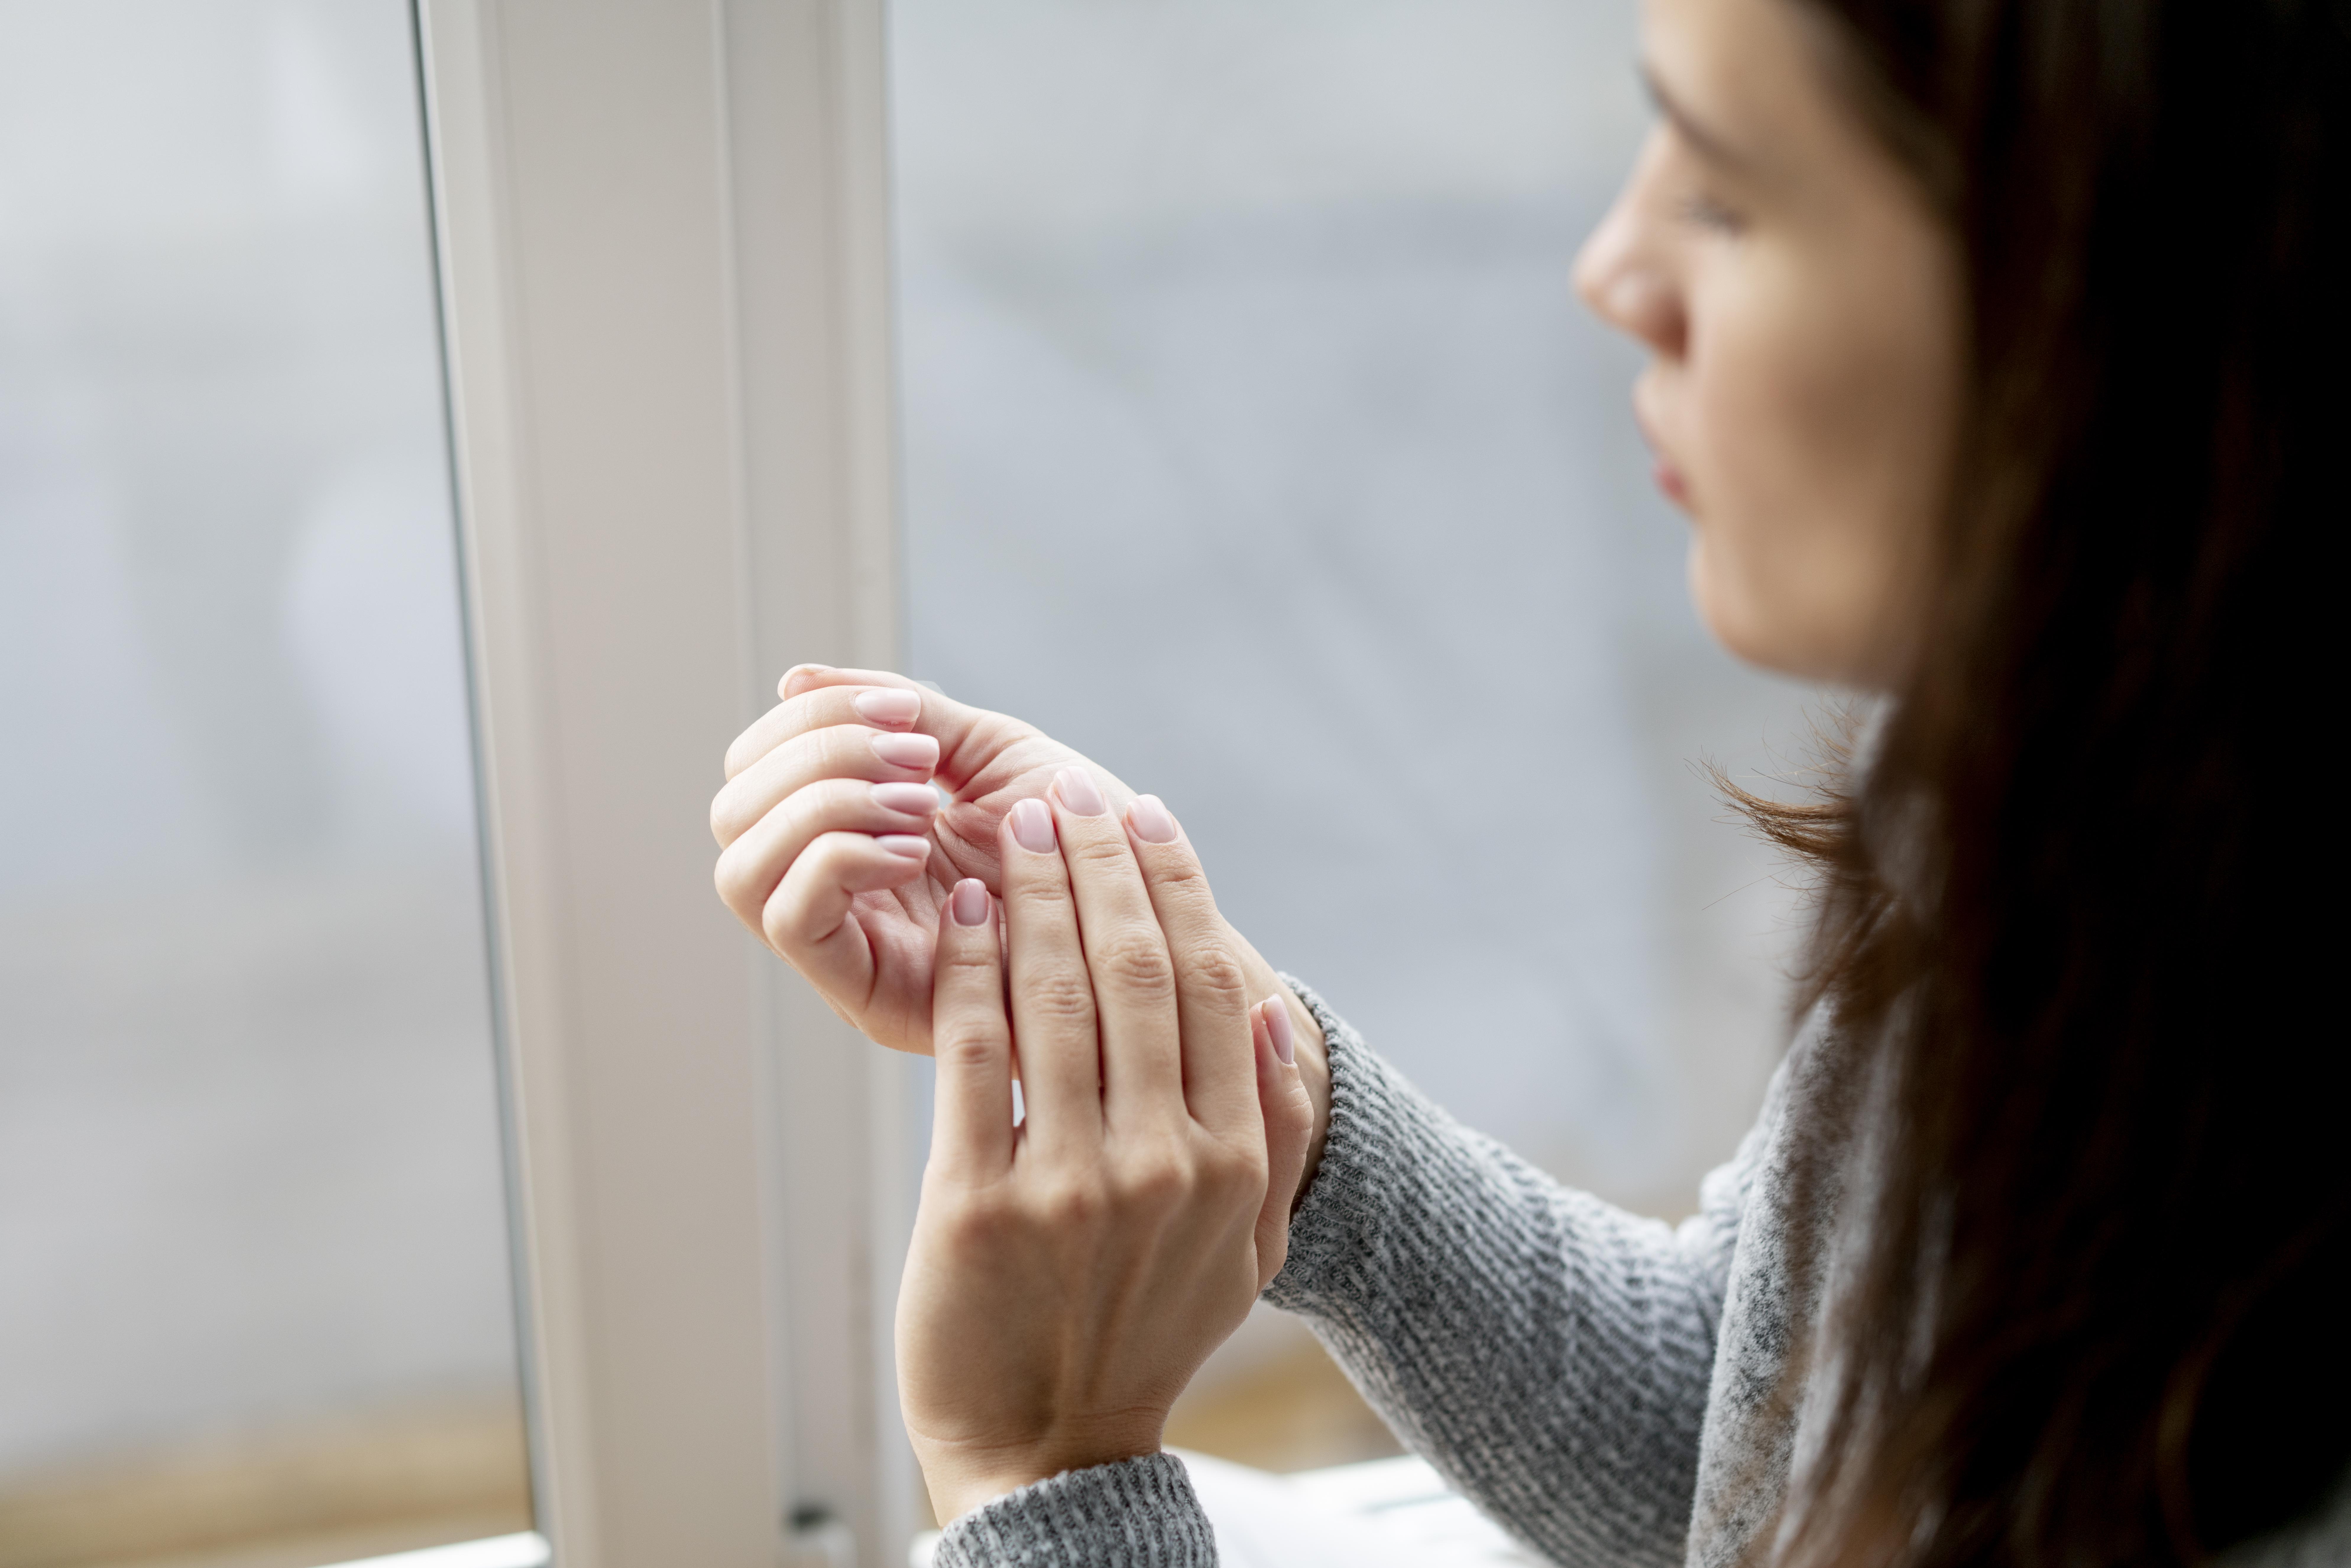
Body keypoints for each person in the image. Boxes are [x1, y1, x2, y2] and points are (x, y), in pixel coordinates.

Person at [709, 0, 2348, 1559]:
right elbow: (1755, 1435)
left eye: (1724, 197)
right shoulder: (2087, 868)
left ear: (2092, 298)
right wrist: (1256, 1071)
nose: (1613, 267)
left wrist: (1038, 1473)